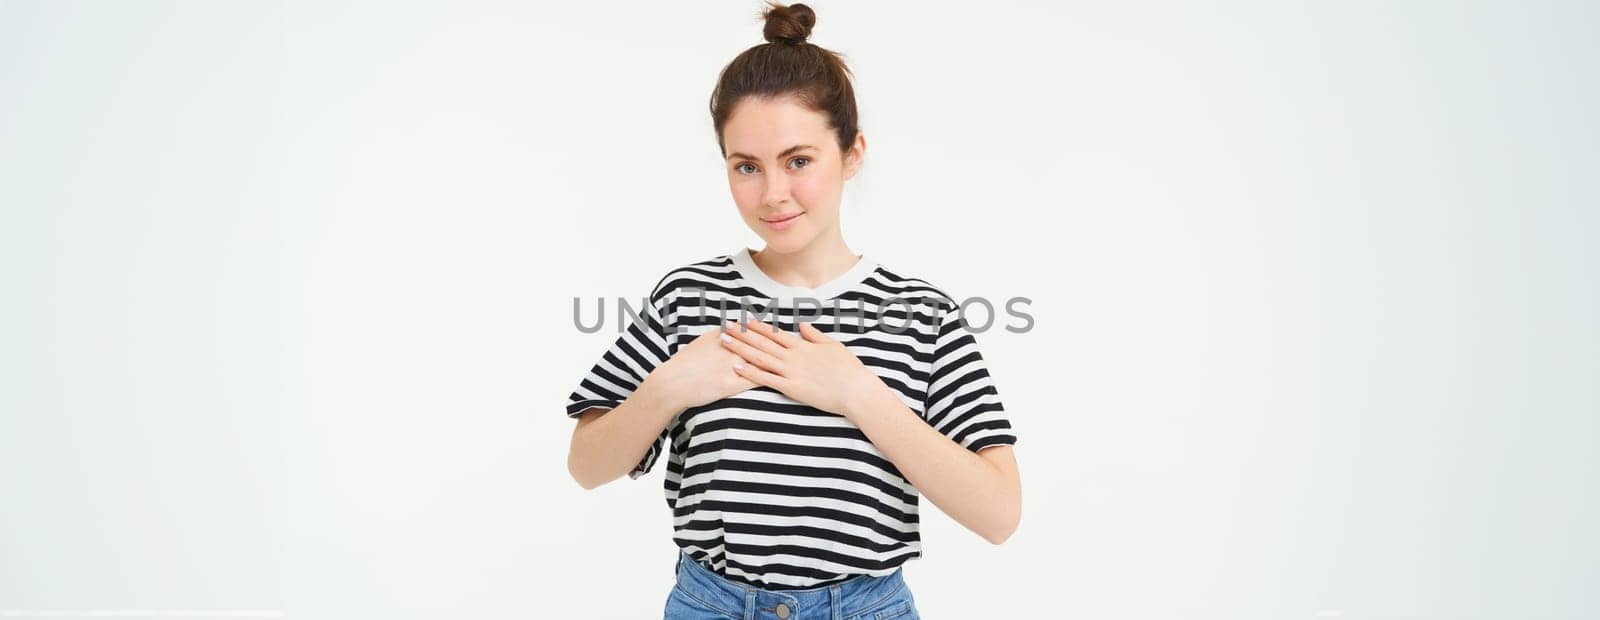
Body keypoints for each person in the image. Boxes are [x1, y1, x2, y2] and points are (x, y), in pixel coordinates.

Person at [564, 3, 1021, 618]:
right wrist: (668, 387)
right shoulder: (686, 300)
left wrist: (859, 393)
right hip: (712, 603)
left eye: (798, 160)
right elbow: (586, 466)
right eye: (746, 166)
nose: (773, 193)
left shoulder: (923, 315)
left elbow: (999, 514)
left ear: (852, 153)